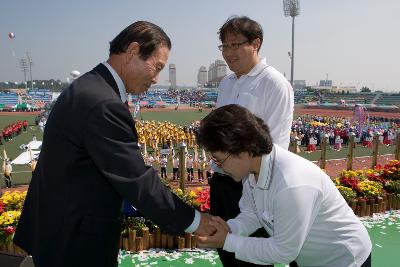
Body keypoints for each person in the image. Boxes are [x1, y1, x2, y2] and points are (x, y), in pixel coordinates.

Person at [13, 21, 215, 267]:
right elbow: (138, 182)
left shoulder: (90, 86)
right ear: (132, 52)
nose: (156, 79)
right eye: (157, 66)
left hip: (60, 229)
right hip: (75, 242)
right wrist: (196, 221)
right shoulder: (104, 103)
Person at [196, 104, 372, 267]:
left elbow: (283, 251)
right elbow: (252, 213)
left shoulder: (291, 184)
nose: (219, 167)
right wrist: (231, 228)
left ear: (242, 151)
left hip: (344, 260)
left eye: (219, 160)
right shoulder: (254, 168)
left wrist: (228, 241)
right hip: (309, 258)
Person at [211, 16, 294, 266]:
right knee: (227, 254)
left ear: (256, 43)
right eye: (224, 46)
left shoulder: (274, 83)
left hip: (252, 187)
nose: (229, 52)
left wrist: (255, 188)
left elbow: (275, 145)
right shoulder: (226, 82)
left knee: (253, 257)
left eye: (236, 45)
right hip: (222, 182)